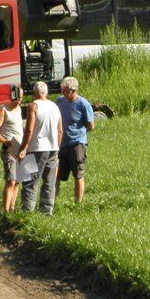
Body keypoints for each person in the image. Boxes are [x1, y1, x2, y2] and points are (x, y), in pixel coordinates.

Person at [17, 81, 61, 214]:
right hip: (53, 148)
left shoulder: (33, 106)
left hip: (36, 148)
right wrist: (57, 147)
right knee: (49, 181)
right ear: (46, 93)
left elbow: (29, 130)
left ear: (34, 93)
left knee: (30, 181)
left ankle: (27, 211)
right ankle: (47, 210)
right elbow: (60, 131)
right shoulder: (55, 106)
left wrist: (23, 147)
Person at [56, 75, 95, 204]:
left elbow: (91, 126)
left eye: (65, 90)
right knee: (56, 175)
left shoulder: (83, 104)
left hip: (77, 144)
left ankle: (78, 203)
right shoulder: (59, 101)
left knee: (78, 175)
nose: (62, 92)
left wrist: (78, 133)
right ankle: (51, 202)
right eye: (62, 90)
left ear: (73, 90)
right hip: (61, 144)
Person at [0, 85, 24, 212]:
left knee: (18, 181)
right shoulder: (3, 110)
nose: (19, 101)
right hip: (9, 149)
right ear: (11, 96)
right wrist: (6, 141)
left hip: (20, 148)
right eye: (17, 98)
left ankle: (12, 208)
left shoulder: (19, 109)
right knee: (11, 180)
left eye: (21, 98)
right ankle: (5, 210)